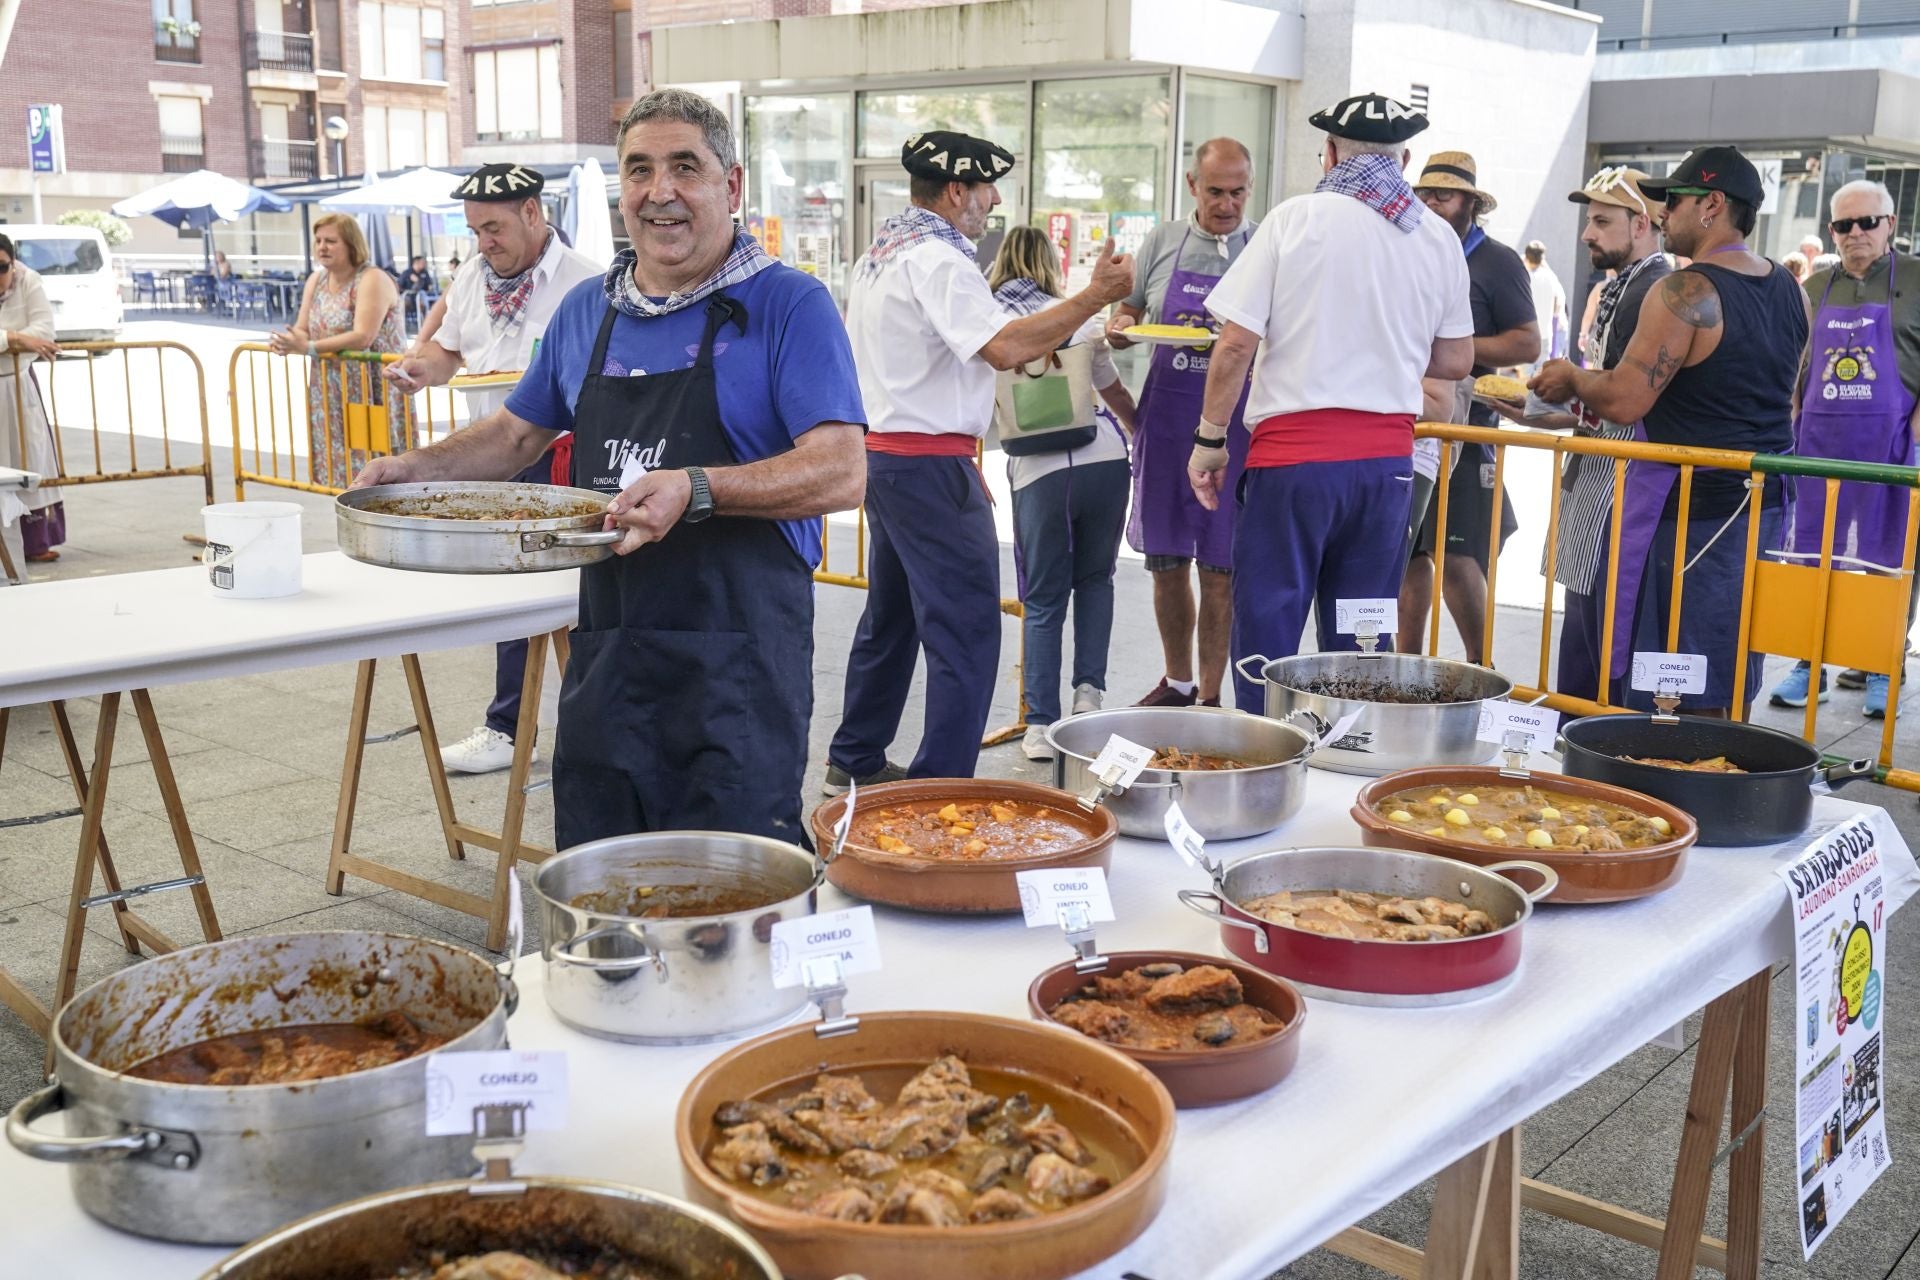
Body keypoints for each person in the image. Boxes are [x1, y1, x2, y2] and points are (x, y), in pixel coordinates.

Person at [353, 88, 867, 848]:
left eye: (685, 168)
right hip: (608, 657)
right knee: (602, 886)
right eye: (639, 170)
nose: (660, 192)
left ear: (730, 186)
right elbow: (514, 436)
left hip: (739, 675)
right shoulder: (589, 311)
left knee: (732, 898)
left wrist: (697, 489)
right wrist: (414, 469)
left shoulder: (790, 305)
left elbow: (840, 471)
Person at [825, 129, 1134, 792]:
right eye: (986, 188)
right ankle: (942, 790)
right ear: (957, 189)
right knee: (966, 633)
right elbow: (1001, 348)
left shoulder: (880, 252)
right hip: (930, 463)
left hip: (886, 456)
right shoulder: (938, 258)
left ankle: (854, 758)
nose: (993, 201)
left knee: (894, 617)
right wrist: (1089, 299)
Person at [1187, 93, 1474, 710]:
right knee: (1363, 632)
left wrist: (1210, 440)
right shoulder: (1438, 239)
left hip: (1293, 465)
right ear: (1404, 158)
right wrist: (1386, 344)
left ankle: (1265, 765)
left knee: (1269, 620)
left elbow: (1235, 345)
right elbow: (1455, 361)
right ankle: (1350, 766)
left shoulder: (1294, 220)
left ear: (1331, 152)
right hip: (1385, 469)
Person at [1532, 145, 1809, 717]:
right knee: (1727, 660)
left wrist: (1574, 378)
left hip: (1686, 512)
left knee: (1660, 674)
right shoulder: (1793, 289)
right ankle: (1711, 770)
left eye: (1675, 201)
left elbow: (1627, 399)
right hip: (1763, 503)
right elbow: (1788, 398)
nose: (1663, 214)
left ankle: (1657, 783)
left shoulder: (1686, 292)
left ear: (1713, 205)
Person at [383, 163, 605, 775]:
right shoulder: (470, 279)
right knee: (514, 594)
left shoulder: (589, 282)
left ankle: (536, 725)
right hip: (489, 458)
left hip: (561, 457)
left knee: (572, 598)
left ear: (533, 213)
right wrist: (419, 370)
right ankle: (514, 726)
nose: (484, 242)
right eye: (476, 229)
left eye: (495, 227)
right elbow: (449, 350)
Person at [1499, 167, 1670, 701]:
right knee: (1582, 638)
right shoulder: (1622, 284)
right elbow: (1598, 404)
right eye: (1588, 220)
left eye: (1601, 220)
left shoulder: (1655, 290)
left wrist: (1561, 394)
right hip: (1595, 479)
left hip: (1624, 488)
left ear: (1642, 223)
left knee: (1604, 646)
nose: (1587, 233)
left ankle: (1593, 751)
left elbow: (1626, 400)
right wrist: (1535, 409)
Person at [1104, 138, 1258, 709]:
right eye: (1215, 191)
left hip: (1237, 428)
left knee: (1221, 571)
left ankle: (1211, 698)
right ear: (1193, 185)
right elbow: (1132, 309)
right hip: (1167, 422)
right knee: (1167, 565)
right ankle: (1178, 681)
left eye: (1238, 191)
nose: (1227, 204)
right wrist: (1122, 321)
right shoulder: (1162, 241)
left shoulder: (1263, 243)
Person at [986, 226, 1140, 761]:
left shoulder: (990, 322)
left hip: (1039, 472)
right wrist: (1143, 435)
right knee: (1096, 580)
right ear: (1051, 263)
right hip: (1102, 459)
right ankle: (1088, 697)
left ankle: (1040, 725)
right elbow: (1111, 388)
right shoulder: (1074, 315)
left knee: (1045, 596)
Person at [1769, 178, 1920, 716]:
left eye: (1867, 222)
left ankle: (1882, 663)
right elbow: (1791, 367)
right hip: (1819, 451)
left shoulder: (1918, 281)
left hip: (1893, 453)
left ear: (1890, 226)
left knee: (1887, 564)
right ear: (1831, 231)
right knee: (1813, 559)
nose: (1855, 233)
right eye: (1843, 224)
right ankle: (1811, 665)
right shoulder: (1813, 289)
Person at [1399, 152, 1540, 665]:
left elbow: (1527, 344)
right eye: (1426, 192)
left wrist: (1455, 347)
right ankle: (1402, 669)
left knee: (1458, 554)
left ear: (1471, 204)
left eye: (1445, 194)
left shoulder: (1497, 261)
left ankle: (1484, 667)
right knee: (1410, 553)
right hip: (1413, 424)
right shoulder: (1408, 250)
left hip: (1471, 427)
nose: (1432, 202)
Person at [271, 213, 415, 489]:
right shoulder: (317, 280)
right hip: (331, 388)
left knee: (377, 463)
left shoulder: (371, 278)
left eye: (331, 241)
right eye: (318, 241)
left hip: (372, 386)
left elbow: (363, 336)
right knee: (340, 463)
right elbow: (303, 327)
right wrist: (289, 340)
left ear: (351, 244)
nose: (322, 247)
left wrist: (309, 348)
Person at [0, 232, 65, 564]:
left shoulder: (30, 281)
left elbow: (44, 332)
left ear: (13, 262)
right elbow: (31, 337)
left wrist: (17, 342)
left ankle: (34, 542)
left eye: (2, 267)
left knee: (30, 460)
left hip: (18, 382)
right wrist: (13, 337)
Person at [1524, 239, 1567, 368]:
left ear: (1526, 257)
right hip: (1545, 334)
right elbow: (1559, 304)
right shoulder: (1551, 277)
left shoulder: (1524, 278)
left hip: (1527, 333)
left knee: (1525, 377)